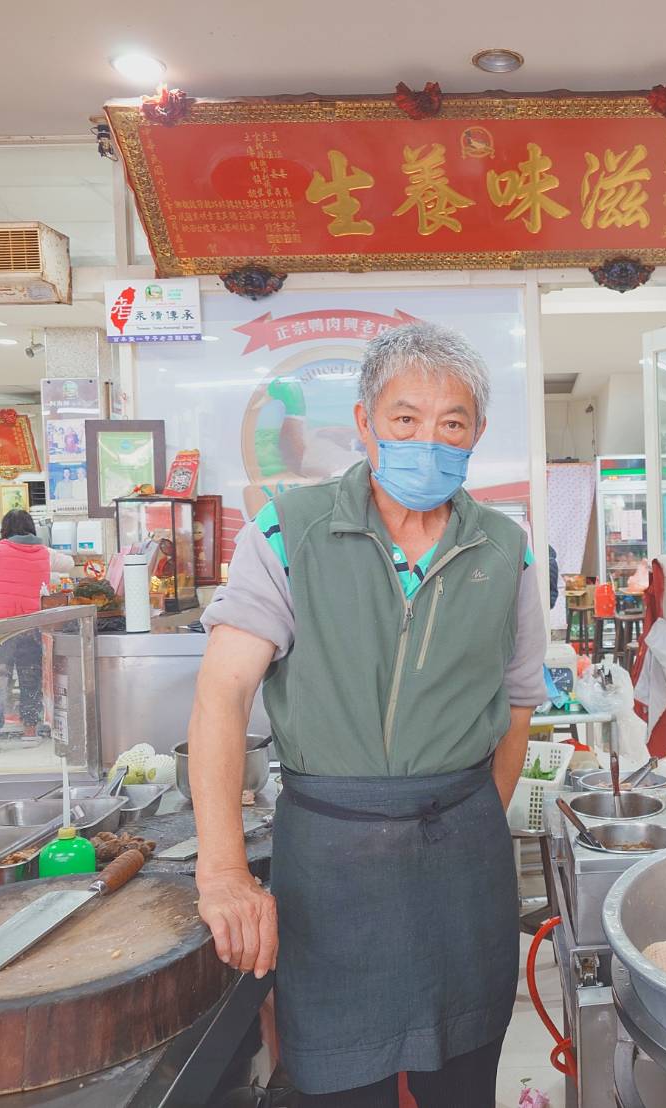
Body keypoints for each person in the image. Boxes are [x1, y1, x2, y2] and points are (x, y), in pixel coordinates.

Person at [190, 322, 547, 1106]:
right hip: (332, 859)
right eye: (405, 419)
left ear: (477, 435)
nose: (430, 439)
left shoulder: (504, 548)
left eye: (452, 423)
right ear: (364, 423)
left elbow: (519, 702)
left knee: (462, 1078)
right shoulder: (288, 533)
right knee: (338, 1082)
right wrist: (222, 873)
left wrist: (472, 820)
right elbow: (222, 693)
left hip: (462, 861)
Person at [0, 509, 75, 754]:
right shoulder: (45, 552)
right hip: (31, 623)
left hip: (1, 625)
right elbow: (69, 564)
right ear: (32, 528)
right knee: (31, 678)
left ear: (5, 529)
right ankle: (30, 731)